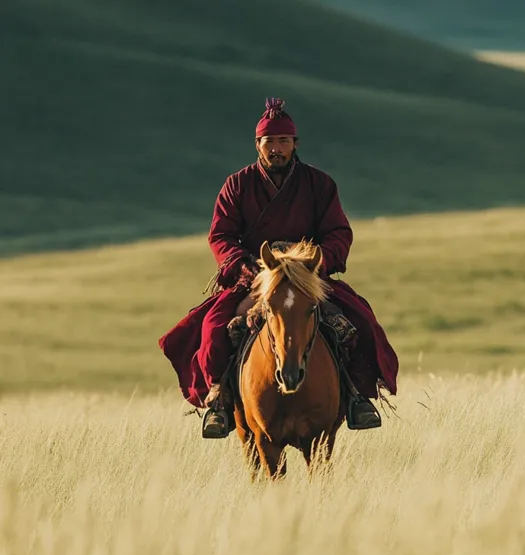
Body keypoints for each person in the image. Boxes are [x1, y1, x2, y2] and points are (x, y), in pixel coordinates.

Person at [159, 97, 399, 438]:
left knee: (358, 322)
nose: (276, 149)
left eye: (283, 142)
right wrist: (247, 268)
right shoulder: (237, 186)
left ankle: (357, 397)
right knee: (213, 327)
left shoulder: (319, 184)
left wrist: (317, 262)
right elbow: (222, 235)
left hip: (306, 279)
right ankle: (219, 399)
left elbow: (337, 232)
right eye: (269, 142)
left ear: (294, 144)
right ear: (257, 145)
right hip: (257, 278)